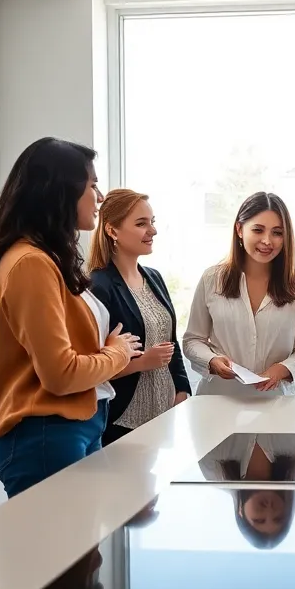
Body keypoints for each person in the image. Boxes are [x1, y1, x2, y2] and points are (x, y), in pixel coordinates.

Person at [0, 137, 142, 499]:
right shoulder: (31, 264)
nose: (100, 197)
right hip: (46, 435)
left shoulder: (46, 258)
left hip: (72, 428)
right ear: (61, 190)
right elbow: (60, 375)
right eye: (93, 184)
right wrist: (118, 352)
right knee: (58, 554)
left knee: (80, 554)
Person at [183, 192, 295, 396]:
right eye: (258, 230)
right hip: (218, 400)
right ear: (239, 229)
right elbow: (192, 340)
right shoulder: (212, 279)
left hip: (277, 401)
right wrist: (212, 360)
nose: (267, 241)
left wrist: (282, 369)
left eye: (277, 233)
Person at [87, 188, 191, 446]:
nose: (152, 230)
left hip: (165, 413)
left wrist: (182, 389)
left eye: (152, 222)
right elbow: (91, 366)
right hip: (122, 421)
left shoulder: (154, 277)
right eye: (141, 223)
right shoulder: (98, 286)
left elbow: (171, 342)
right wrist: (142, 362)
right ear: (112, 231)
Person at [197, 433, 295, 548]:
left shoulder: (213, 468)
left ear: (240, 513)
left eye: (259, 520)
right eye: (278, 518)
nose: (269, 511)